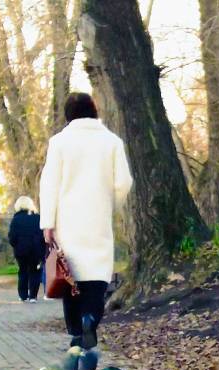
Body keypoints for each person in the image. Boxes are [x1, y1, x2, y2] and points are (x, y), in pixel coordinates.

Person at [38, 92, 133, 349]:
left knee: (70, 276)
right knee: (96, 277)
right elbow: (124, 182)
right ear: (94, 110)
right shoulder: (112, 142)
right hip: (98, 219)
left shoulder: (59, 142)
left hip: (66, 220)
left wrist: (47, 222)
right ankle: (91, 319)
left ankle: (76, 332)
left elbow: (49, 183)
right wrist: (110, 204)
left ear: (68, 114)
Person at [7, 196, 45, 303]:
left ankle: (23, 295)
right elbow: (43, 235)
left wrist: (15, 245)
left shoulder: (16, 219)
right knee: (35, 271)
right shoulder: (37, 218)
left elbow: (12, 236)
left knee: (22, 271)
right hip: (35, 249)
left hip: (21, 250)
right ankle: (33, 296)